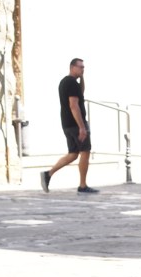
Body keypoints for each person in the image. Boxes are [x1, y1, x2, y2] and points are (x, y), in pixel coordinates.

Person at [41, 57, 98, 194]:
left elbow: (81, 94)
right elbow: (74, 105)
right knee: (85, 151)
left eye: (84, 67)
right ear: (72, 67)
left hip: (67, 124)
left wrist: (82, 78)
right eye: (80, 67)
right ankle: (83, 185)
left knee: (73, 154)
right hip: (75, 124)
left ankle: (48, 174)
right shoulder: (71, 83)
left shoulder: (67, 82)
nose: (83, 69)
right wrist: (82, 127)